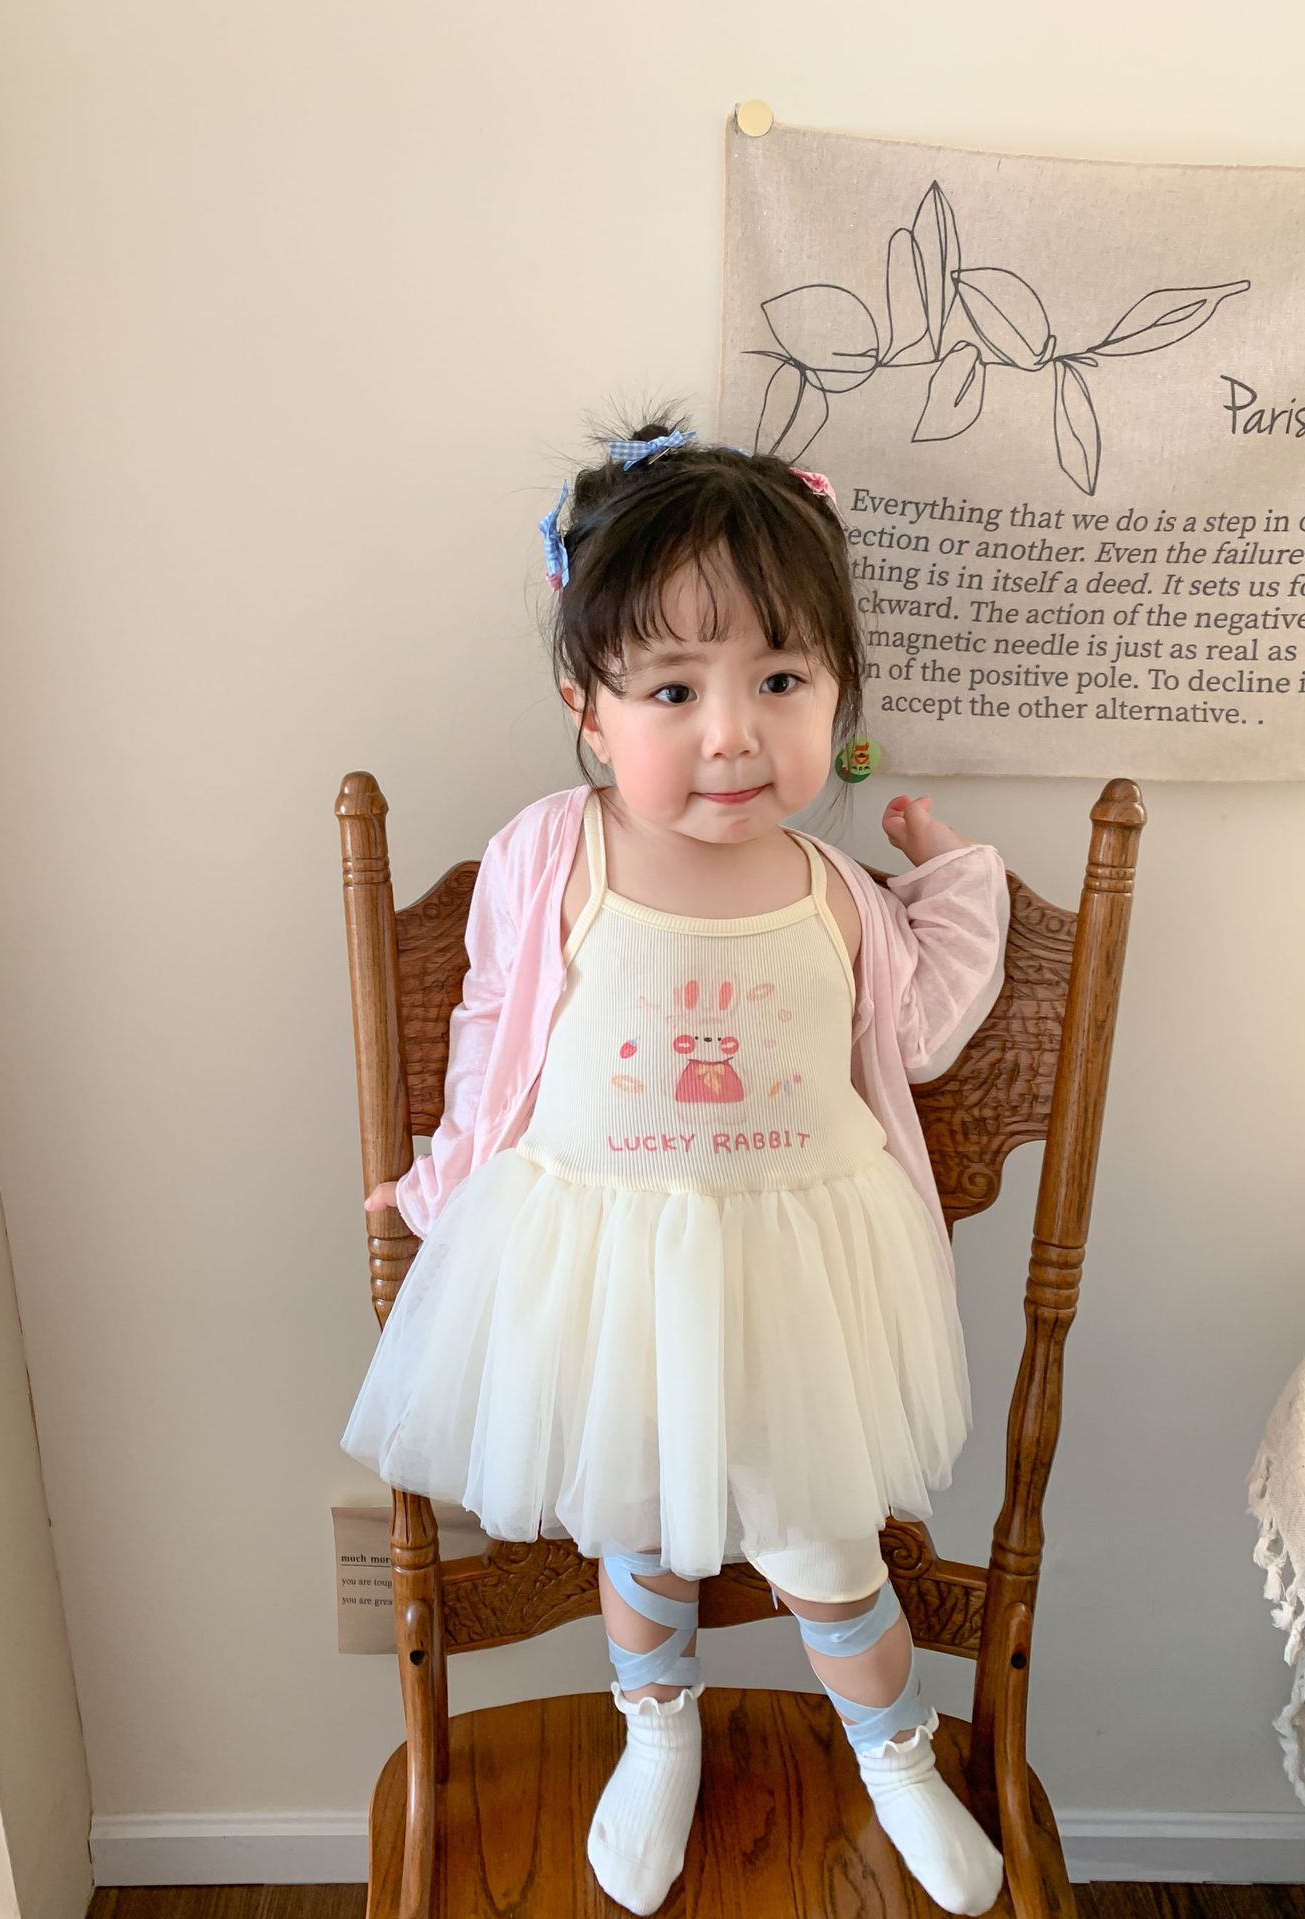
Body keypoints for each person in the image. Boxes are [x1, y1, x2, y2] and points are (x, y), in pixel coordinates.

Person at [341, 414, 1009, 1915]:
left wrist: (952, 875)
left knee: (828, 1545)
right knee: (635, 1525)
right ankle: (658, 1728)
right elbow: (496, 1032)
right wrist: (442, 1179)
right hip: (611, 1273)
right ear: (589, 710)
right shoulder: (552, 855)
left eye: (780, 679)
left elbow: (917, 1029)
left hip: (798, 1281)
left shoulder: (833, 889)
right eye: (672, 689)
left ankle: (897, 1756)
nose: (732, 733)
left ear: (838, 693)